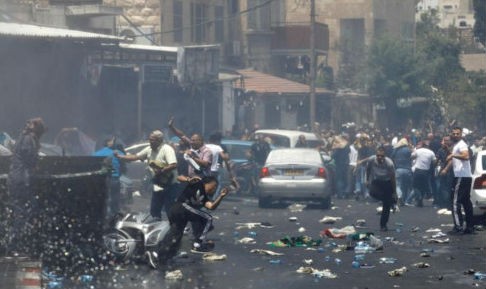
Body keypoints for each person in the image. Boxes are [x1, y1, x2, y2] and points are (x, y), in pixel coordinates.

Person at [146, 176, 229, 269]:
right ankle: (198, 244)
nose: (214, 189)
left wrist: (221, 196)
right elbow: (179, 177)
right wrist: (189, 180)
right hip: (181, 208)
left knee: (175, 237)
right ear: (206, 183)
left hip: (180, 214)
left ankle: (158, 256)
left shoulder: (204, 197)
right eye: (213, 186)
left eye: (215, 187)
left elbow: (211, 207)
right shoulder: (198, 185)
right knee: (208, 218)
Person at [116, 130, 177, 220]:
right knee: (154, 210)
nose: (150, 142)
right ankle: (156, 228)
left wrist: (162, 170)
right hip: (158, 184)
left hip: (170, 184)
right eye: (149, 140)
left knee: (170, 209)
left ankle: (175, 229)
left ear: (159, 140)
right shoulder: (149, 149)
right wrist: (121, 157)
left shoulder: (167, 149)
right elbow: (136, 157)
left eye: (152, 140)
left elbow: (173, 164)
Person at [7, 117, 47, 257]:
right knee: (23, 212)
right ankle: (13, 245)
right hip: (20, 180)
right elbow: (28, 157)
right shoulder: (28, 139)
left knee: (22, 212)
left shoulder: (25, 137)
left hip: (17, 179)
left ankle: (16, 244)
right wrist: (36, 163)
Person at [446, 127, 475, 235]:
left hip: (461, 177)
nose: (455, 135)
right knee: (466, 202)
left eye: (457, 133)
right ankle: (470, 226)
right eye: (453, 133)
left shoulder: (461, 144)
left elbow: (466, 156)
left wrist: (453, 155)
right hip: (465, 176)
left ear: (461, 134)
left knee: (455, 202)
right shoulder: (457, 145)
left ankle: (458, 227)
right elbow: (455, 160)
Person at [363, 146, 396, 232]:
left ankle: (383, 225)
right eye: (378, 155)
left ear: (385, 156)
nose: (379, 157)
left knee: (386, 206)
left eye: (382, 156)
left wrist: (394, 191)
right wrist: (366, 180)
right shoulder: (371, 159)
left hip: (387, 182)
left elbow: (393, 178)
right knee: (372, 193)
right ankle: (389, 200)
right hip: (377, 182)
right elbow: (368, 169)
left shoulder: (389, 163)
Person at [93, 136, 125, 218]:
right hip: (114, 179)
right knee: (114, 200)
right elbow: (125, 160)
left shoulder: (96, 154)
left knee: (103, 199)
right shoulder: (117, 153)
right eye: (112, 141)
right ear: (108, 142)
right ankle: (114, 218)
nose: (114, 142)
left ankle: (103, 216)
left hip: (102, 180)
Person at [408, 141, 436, 207]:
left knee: (415, 186)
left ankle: (419, 197)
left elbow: (411, 157)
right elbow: (434, 162)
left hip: (418, 170)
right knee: (423, 186)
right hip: (426, 171)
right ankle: (420, 200)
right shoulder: (431, 152)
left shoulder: (418, 151)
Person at [391, 138, 413, 206]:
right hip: (407, 169)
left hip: (398, 169)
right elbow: (411, 157)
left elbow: (391, 157)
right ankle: (406, 200)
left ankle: (400, 196)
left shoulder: (396, 149)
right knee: (407, 186)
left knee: (398, 185)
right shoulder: (407, 150)